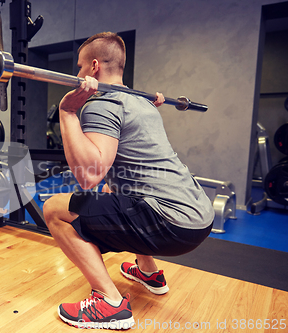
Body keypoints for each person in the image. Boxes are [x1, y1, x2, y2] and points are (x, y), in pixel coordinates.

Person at [42, 32, 214, 329]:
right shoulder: (143, 104)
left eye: (80, 67)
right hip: (199, 216)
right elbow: (109, 178)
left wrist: (68, 111)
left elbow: (88, 176)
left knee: (54, 208)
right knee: (118, 187)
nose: (78, 74)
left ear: (94, 67)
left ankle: (109, 302)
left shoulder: (103, 104)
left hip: (170, 223)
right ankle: (147, 271)